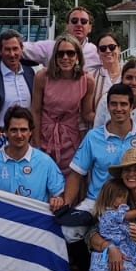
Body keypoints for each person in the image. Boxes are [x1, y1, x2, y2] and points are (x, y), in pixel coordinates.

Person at [67, 83, 136, 210]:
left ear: (131, 107)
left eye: (123, 104)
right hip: (97, 201)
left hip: (135, 203)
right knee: (68, 228)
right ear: (107, 106)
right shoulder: (93, 137)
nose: (118, 108)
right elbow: (76, 175)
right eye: (114, 104)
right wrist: (66, 205)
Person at [0, 105, 65, 207]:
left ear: (30, 132)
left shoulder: (45, 162)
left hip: (33, 222)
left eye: (23, 130)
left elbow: (60, 194)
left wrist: (58, 200)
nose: (19, 135)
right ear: (6, 132)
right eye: (14, 130)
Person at [31, 33, 93, 174]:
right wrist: (35, 141)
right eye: (60, 54)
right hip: (44, 135)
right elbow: (35, 110)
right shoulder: (42, 77)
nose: (65, 58)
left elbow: (87, 113)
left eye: (70, 53)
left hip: (70, 138)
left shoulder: (87, 81)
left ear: (77, 56)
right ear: (55, 56)